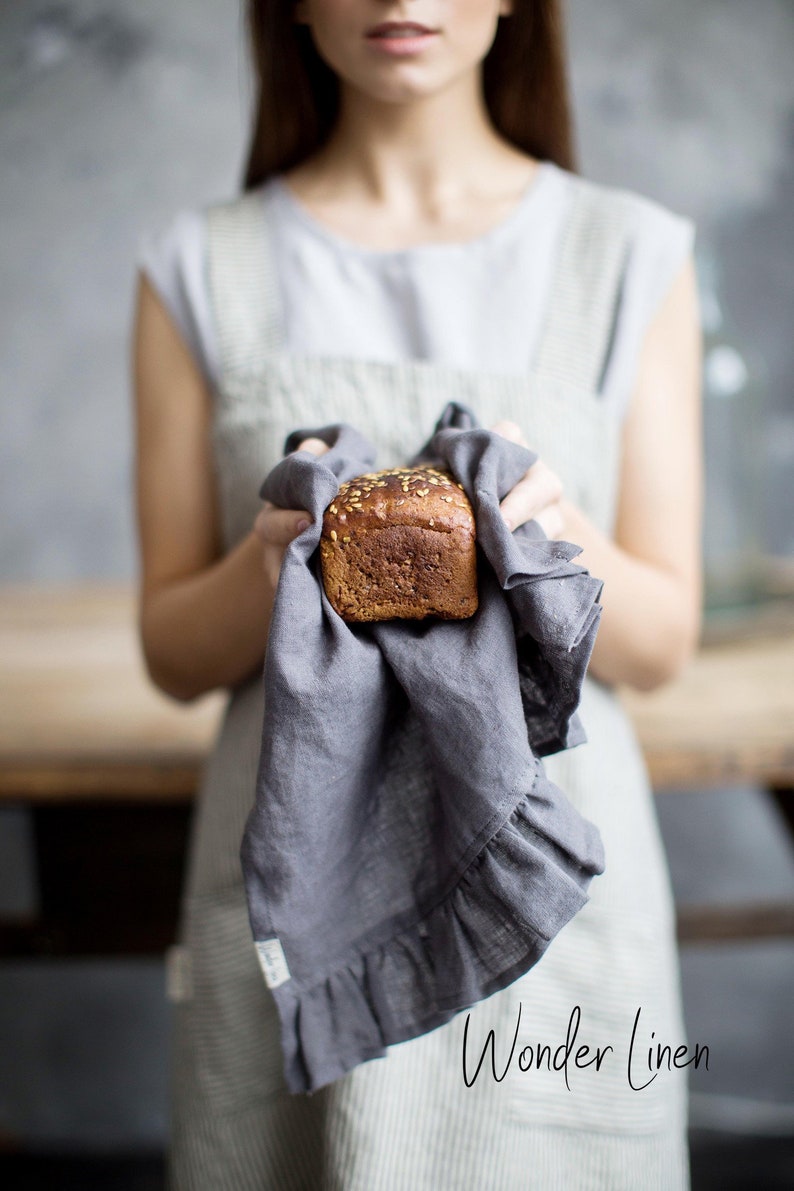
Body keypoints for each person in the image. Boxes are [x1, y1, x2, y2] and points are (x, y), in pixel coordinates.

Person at [132, 0, 702, 1186]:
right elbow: (174, 653)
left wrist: (552, 530)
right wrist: (276, 557)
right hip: (289, 876)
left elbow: (660, 645)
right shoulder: (198, 266)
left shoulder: (627, 254)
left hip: (538, 888)